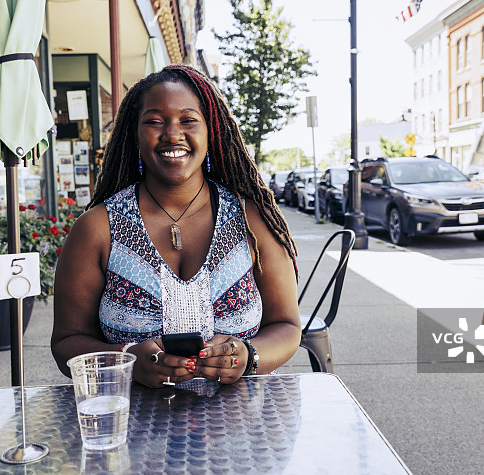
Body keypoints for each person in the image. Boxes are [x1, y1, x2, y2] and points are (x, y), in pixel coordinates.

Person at [51, 65, 300, 388]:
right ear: (134, 134)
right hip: (130, 422)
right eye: (154, 121)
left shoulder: (253, 220)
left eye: (188, 120)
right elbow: (66, 343)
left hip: (245, 423)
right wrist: (125, 361)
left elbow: (287, 326)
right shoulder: (97, 228)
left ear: (211, 132)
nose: (172, 133)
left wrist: (248, 357)